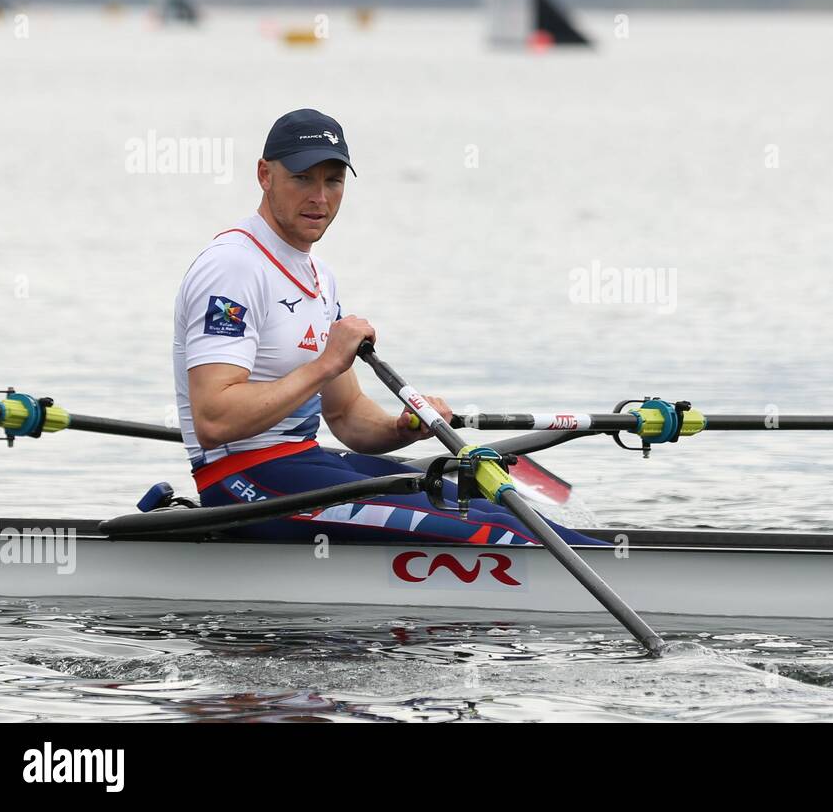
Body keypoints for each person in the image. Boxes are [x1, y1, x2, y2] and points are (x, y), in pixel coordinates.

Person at [171, 108, 599, 545]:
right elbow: (214, 419)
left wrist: (400, 428)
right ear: (264, 175)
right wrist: (325, 364)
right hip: (242, 482)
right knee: (495, 530)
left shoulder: (319, 276)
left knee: (494, 507)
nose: (320, 197)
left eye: (333, 181)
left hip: (303, 462)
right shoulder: (233, 268)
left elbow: (346, 415)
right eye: (302, 178)